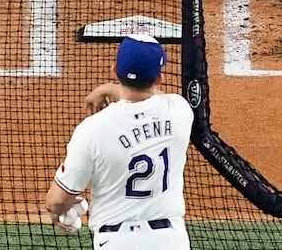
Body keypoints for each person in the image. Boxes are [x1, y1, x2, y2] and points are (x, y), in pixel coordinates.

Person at [44, 33, 193, 250]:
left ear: (114, 70)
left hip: (116, 242)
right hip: (171, 240)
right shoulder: (180, 111)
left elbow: (56, 201)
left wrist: (59, 211)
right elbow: (153, 97)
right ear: (158, 78)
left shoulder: (92, 130)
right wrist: (111, 89)